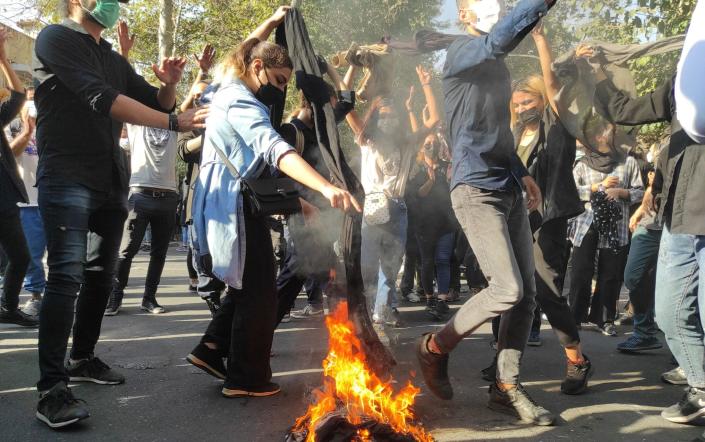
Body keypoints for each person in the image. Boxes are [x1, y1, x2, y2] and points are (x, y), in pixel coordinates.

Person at [32, 0, 207, 428]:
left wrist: (169, 85)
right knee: (66, 276)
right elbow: (104, 99)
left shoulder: (111, 57)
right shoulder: (55, 39)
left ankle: (83, 357)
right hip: (67, 174)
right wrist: (174, 122)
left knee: (100, 275)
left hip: (111, 180)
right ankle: (51, 390)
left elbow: (156, 102)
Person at [185, 6, 360, 398]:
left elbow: (242, 50)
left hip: (230, 201)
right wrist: (325, 187)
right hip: (235, 204)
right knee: (261, 292)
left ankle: (212, 350)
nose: (281, 90)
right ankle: (246, 379)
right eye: (279, 80)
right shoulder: (241, 101)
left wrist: (271, 23)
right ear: (259, 68)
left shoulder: (230, 84)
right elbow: (273, 148)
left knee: (250, 285)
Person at [415, 0, 555, 427]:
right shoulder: (462, 53)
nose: (498, 5)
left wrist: (522, 171)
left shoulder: (495, 63)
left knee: (526, 295)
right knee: (507, 289)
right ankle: (435, 348)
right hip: (474, 188)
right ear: (465, 15)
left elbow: (494, 131)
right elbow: (498, 40)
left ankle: (505, 386)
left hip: (507, 186)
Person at [584, 35, 705, 425]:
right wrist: (598, 72)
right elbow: (626, 109)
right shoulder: (686, 77)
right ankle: (701, 388)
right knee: (670, 314)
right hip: (679, 215)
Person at [344, 63, 440, 328]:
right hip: (372, 208)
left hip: (397, 209)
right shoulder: (366, 141)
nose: (389, 120)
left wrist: (426, 84)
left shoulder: (408, 144)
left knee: (391, 266)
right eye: (383, 115)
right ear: (375, 118)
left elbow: (433, 121)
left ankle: (383, 314)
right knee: (367, 268)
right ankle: (364, 313)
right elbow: (344, 104)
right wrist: (350, 68)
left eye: (393, 115)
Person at [276, 61, 355, 323]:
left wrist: (333, 70)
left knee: (326, 273)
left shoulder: (322, 126)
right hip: (303, 216)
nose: (333, 112)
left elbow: (347, 101)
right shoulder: (291, 132)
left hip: (325, 215)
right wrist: (305, 208)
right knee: (294, 274)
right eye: (327, 106)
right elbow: (279, 179)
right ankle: (259, 330)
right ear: (311, 104)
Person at [405, 71, 457, 320]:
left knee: (443, 259)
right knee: (427, 262)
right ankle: (429, 298)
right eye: (427, 144)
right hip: (424, 224)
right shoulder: (415, 170)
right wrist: (430, 180)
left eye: (433, 143)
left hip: (446, 221)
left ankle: (443, 299)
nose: (430, 145)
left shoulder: (446, 164)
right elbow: (417, 193)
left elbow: (434, 125)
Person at [0, 26, 35, 328]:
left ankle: (8, 308)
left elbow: (19, 97)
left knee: (20, 257)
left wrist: (3, 59)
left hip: (4, 199)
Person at [5, 87, 46, 317]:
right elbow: (8, 155)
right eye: (30, 100)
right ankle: (36, 295)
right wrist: (27, 132)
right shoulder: (11, 129)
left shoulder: (53, 127)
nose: (33, 105)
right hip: (27, 203)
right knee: (31, 254)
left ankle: (63, 297)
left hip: (52, 200)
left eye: (36, 100)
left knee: (62, 253)